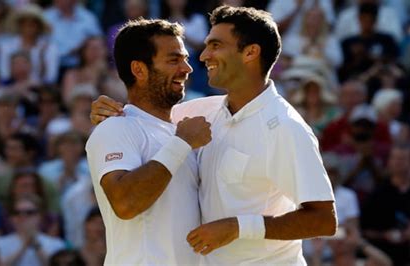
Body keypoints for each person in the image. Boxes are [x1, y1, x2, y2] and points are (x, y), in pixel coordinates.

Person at [90, 6, 337, 265]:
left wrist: (238, 227)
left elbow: (323, 220)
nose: (203, 57)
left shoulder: (286, 127)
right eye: (206, 46)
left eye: (216, 45)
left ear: (251, 53)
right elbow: (146, 115)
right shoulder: (203, 113)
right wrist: (112, 113)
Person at [85, 19, 211, 265]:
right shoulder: (115, 127)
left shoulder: (183, 130)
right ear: (139, 70)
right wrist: (181, 143)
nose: (187, 68)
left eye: (185, 58)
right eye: (174, 60)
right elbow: (125, 203)